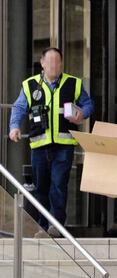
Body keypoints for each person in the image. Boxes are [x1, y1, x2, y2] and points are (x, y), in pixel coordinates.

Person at [9, 47, 94, 238]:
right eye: (50, 62)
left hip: (64, 146)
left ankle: (56, 226)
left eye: (57, 62)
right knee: (41, 187)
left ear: (61, 64)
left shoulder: (73, 83)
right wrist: (14, 126)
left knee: (58, 185)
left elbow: (88, 104)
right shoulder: (30, 85)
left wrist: (83, 113)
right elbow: (19, 108)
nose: (54, 65)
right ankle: (42, 226)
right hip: (39, 145)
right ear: (42, 63)